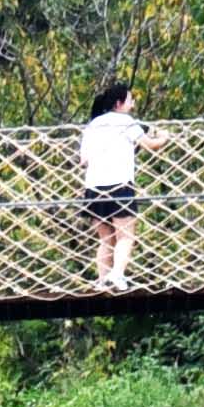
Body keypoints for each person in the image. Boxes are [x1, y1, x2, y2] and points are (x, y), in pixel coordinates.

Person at [75, 76, 143, 292]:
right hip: (119, 186)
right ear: (119, 104)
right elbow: (152, 144)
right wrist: (165, 136)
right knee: (126, 236)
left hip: (93, 188)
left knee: (106, 238)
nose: (133, 105)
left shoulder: (93, 125)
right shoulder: (127, 122)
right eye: (130, 101)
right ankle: (118, 275)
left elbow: (83, 161)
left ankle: (102, 280)